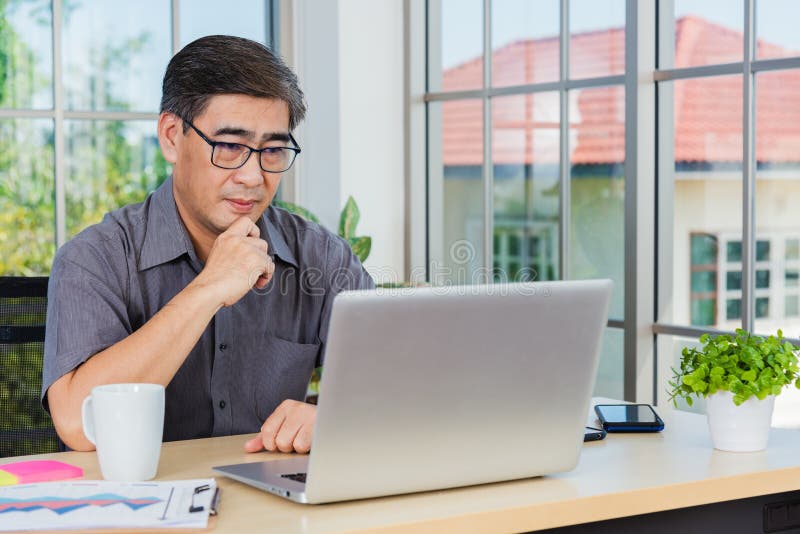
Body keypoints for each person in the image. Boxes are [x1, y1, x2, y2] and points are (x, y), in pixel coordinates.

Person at [41, 35, 374, 454]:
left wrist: (333, 417)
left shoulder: (321, 258)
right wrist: (209, 288)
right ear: (171, 137)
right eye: (230, 146)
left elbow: (400, 382)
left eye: (272, 150)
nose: (253, 176)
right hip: (141, 510)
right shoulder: (94, 259)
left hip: (276, 510)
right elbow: (77, 422)